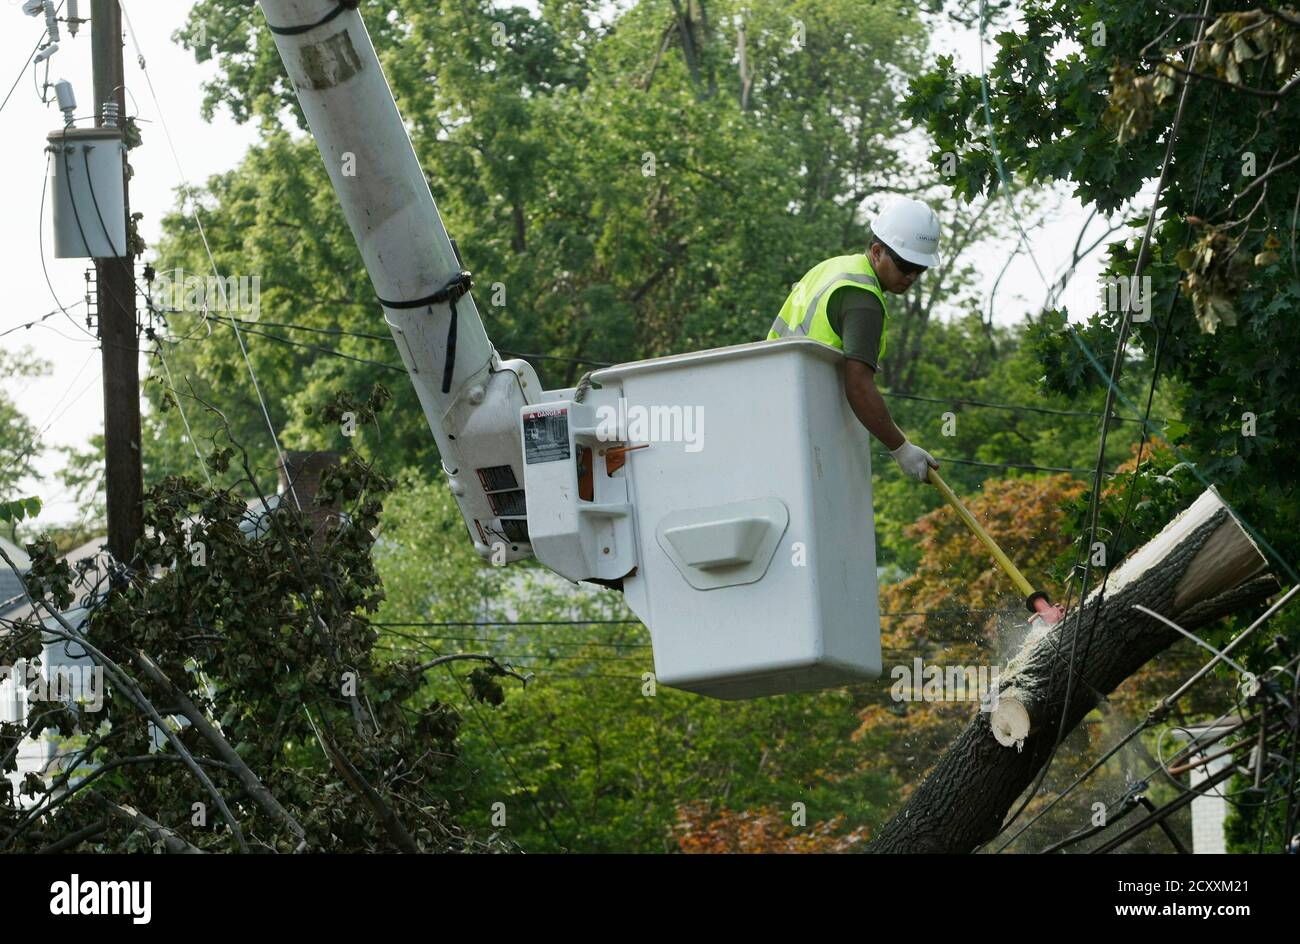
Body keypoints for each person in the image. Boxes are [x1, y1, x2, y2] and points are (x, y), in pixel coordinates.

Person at [767, 198, 943, 483]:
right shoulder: (863, 300)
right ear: (877, 251)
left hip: (777, 409)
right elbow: (858, 387)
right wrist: (901, 448)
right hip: (802, 422)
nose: (911, 276)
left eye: (919, 269)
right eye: (905, 264)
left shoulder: (834, 268)